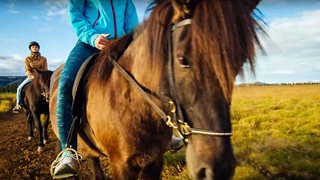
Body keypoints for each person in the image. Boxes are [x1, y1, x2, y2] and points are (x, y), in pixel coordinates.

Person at [51, 0, 183, 178]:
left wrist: (134, 43)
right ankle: (68, 152)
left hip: (123, 43)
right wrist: (93, 37)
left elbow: (132, 25)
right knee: (66, 84)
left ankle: (167, 133)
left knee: (157, 75)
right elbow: (77, 16)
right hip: (90, 43)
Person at [12, 41, 48, 113]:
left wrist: (43, 77)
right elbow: (27, 69)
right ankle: (18, 105)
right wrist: (32, 77)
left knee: (49, 87)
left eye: (36, 47)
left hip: (41, 77)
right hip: (32, 77)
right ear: (30, 49)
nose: (35, 48)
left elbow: (45, 69)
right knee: (19, 88)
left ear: (38, 48)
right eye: (33, 47)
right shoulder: (27, 59)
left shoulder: (43, 59)